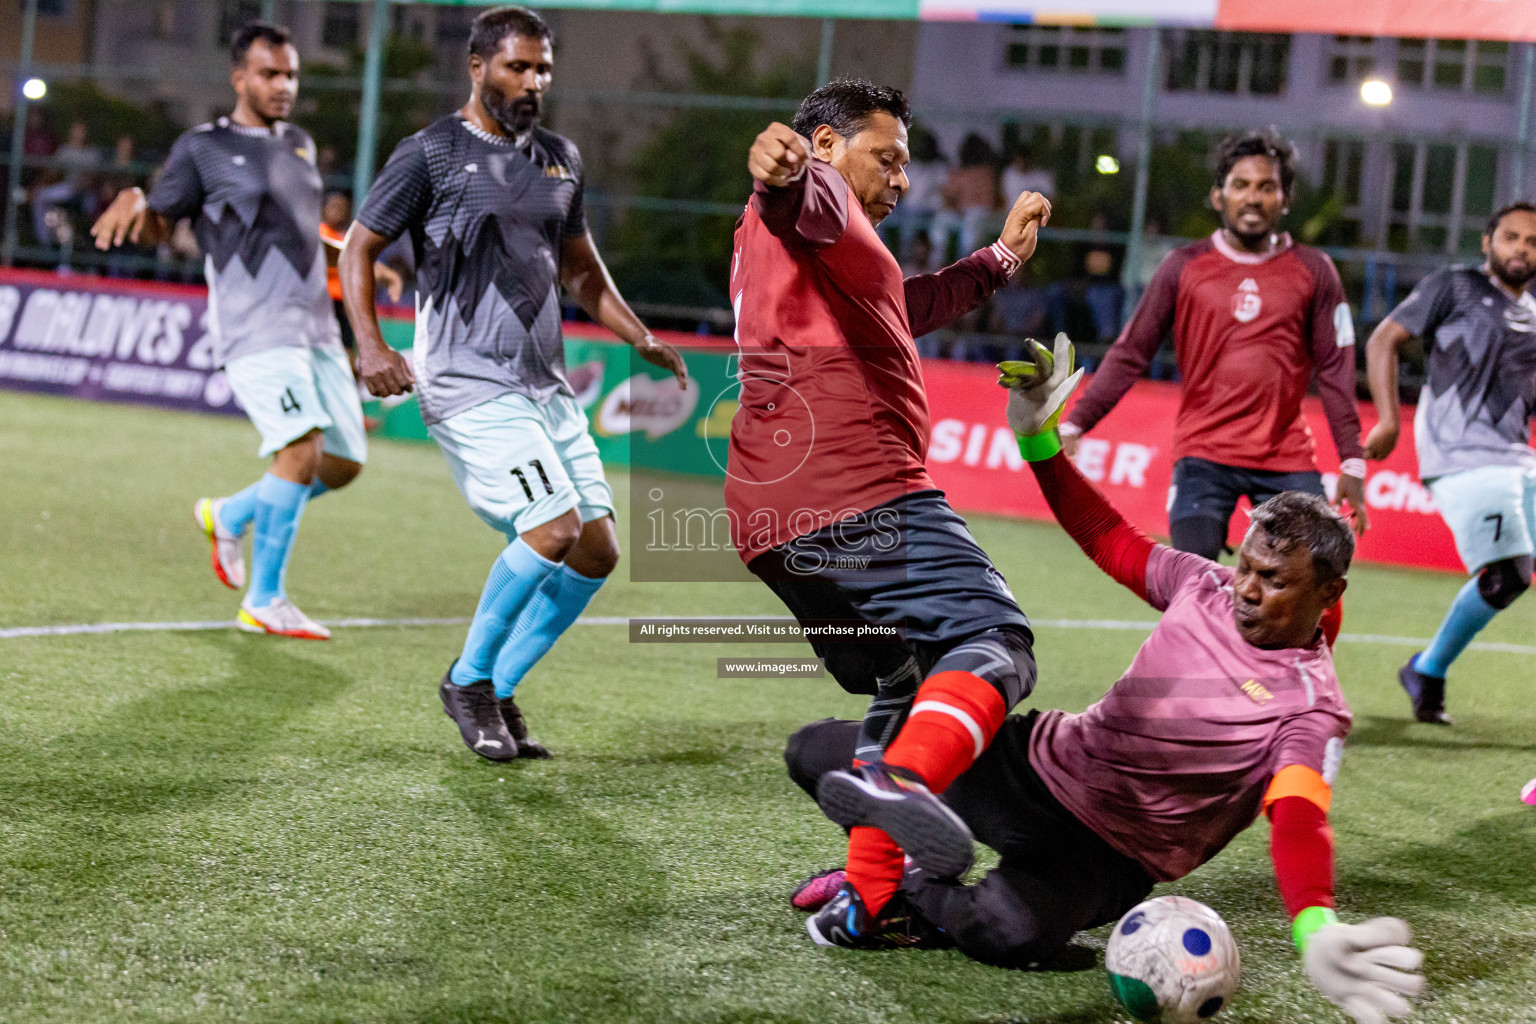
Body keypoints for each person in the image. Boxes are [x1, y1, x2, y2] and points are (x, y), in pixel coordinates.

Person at [786, 344, 1427, 1024]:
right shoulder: (1200, 584)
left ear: (1330, 592)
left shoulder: (1312, 709)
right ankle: (889, 861)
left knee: (1008, 931)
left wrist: (1315, 926)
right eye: (1246, 565)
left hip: (1108, 851)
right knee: (812, 754)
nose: (1245, 588)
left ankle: (905, 893)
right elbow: (1105, 535)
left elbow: (1300, 820)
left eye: (1273, 582)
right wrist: (1039, 443)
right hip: (1037, 763)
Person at [733, 79, 1052, 937]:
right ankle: (894, 795)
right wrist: (780, 171)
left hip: (771, 517)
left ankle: (867, 897)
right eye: (891, 158)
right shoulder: (821, 198)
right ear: (830, 146)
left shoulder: (830, 256)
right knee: (996, 642)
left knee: (904, 682)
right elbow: (790, 190)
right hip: (856, 484)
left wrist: (1000, 261)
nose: (903, 179)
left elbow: (899, 312)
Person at [340, 5, 687, 762]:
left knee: (597, 550)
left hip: (544, 386)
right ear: (478, 67)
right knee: (552, 527)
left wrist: (642, 336)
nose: (534, 82)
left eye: (543, 69)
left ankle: (498, 687)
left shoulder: (560, 157)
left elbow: (582, 271)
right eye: (518, 67)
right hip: (465, 378)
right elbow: (359, 250)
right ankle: (466, 682)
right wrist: (369, 345)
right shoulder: (429, 152)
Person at [91, 21, 365, 641]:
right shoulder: (202, 147)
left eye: (290, 74)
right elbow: (162, 224)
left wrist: (353, 260)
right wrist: (139, 201)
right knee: (300, 447)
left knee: (344, 460)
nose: (283, 85)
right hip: (256, 327)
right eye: (270, 73)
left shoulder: (298, 142)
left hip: (315, 328)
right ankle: (264, 600)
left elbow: (295, 234)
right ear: (238, 77)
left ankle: (228, 514)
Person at [1060, 130, 1369, 560]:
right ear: (1218, 196)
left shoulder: (1314, 271)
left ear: (1286, 198)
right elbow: (1132, 351)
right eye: (1240, 186)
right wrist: (1078, 421)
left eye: (1267, 187)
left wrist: (1351, 460)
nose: (1253, 198)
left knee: (1312, 577)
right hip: (1204, 455)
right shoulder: (1183, 267)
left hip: (1285, 456)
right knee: (1194, 580)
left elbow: (1336, 369)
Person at [1363, 202, 1536, 726]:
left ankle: (1427, 671)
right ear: (1488, 242)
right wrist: (1389, 420)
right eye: (1511, 237)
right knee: (1508, 573)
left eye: (1531, 242)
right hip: (1459, 454)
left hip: (1515, 458)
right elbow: (1383, 340)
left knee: (1511, 576)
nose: (1521, 249)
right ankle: (1429, 669)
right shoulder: (1454, 286)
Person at [927, 133, 1000, 269]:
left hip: (981, 215)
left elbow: (990, 202)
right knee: (942, 219)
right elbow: (949, 197)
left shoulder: (987, 173)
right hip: (962, 214)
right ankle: (936, 261)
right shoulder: (960, 172)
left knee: (971, 227)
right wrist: (957, 209)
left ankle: (965, 267)